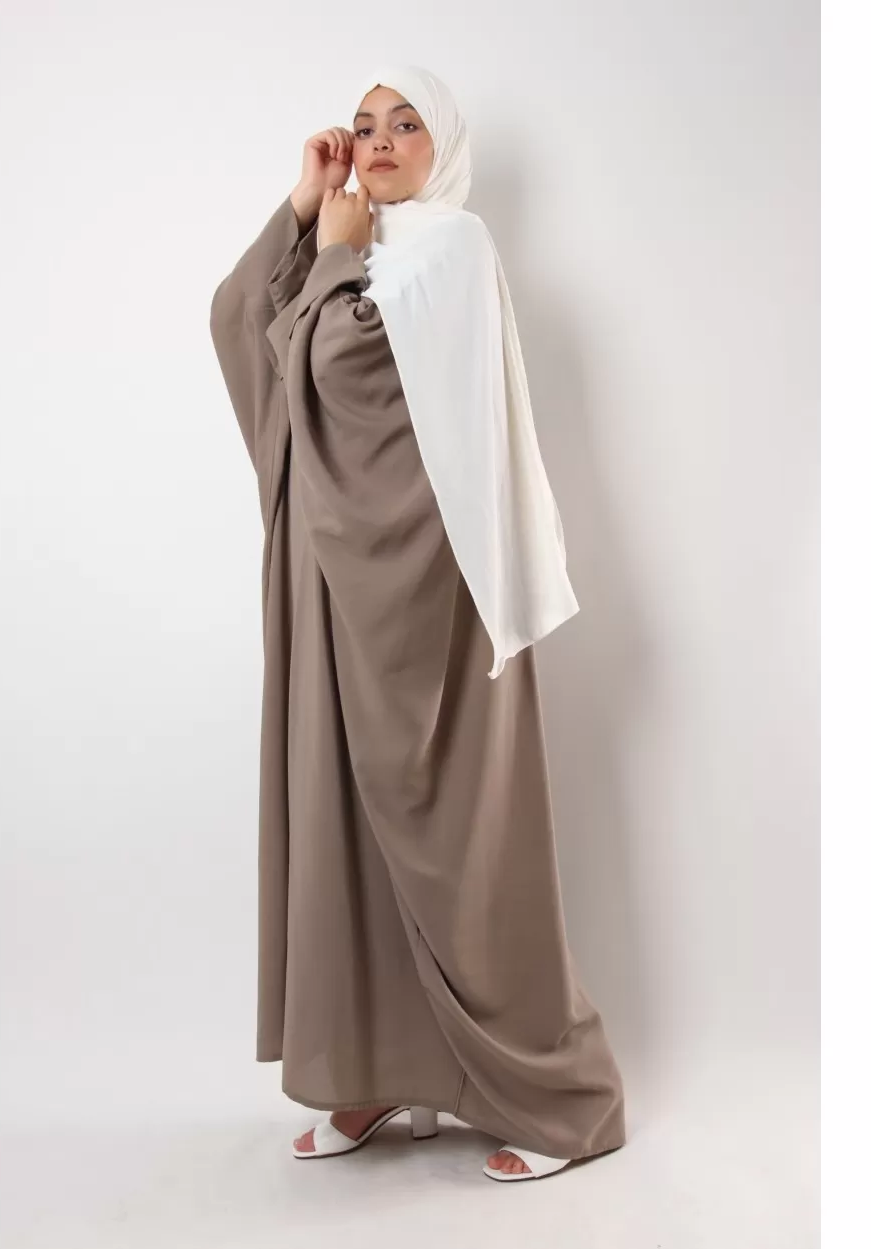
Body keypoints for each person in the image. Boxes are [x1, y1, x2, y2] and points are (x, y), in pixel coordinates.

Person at [208, 64, 627, 1182]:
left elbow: (341, 370)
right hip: (332, 587)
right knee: (341, 825)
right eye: (363, 126)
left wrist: (338, 256)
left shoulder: (451, 248)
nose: (380, 141)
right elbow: (243, 324)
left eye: (405, 125)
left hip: (428, 602)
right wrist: (306, 212)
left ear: (443, 147)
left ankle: (561, 1100)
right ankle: (378, 1067)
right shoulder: (360, 248)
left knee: (455, 848)